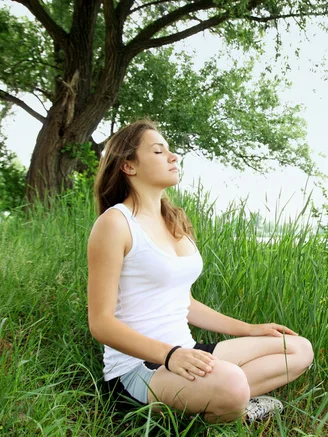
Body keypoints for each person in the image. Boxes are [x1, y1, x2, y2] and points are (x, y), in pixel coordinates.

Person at [87, 119, 314, 423]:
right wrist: (170, 355)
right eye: (158, 151)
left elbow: (185, 303)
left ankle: (217, 401)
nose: (173, 157)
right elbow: (100, 324)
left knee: (298, 349)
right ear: (129, 166)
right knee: (232, 383)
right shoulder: (115, 223)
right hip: (140, 368)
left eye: (169, 150)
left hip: (187, 351)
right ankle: (229, 405)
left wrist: (249, 328)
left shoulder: (174, 222)